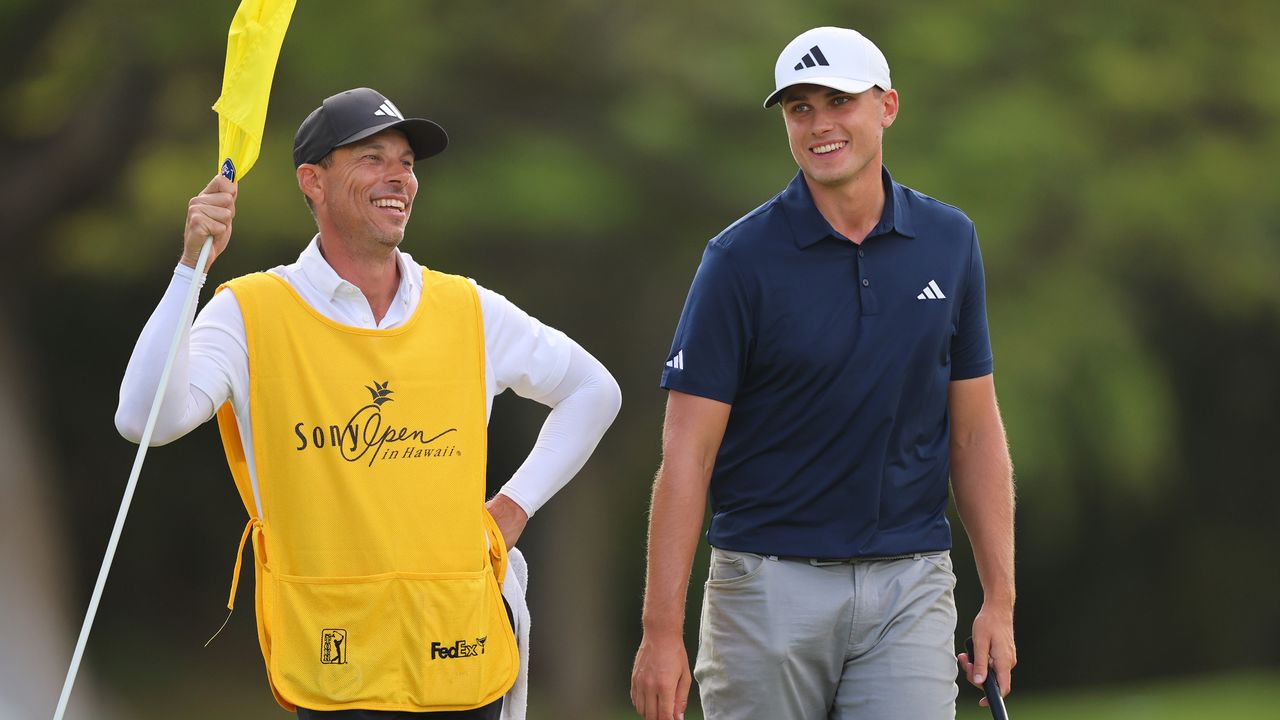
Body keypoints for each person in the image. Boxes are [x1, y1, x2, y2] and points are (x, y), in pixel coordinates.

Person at [116, 87, 621, 719]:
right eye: (372, 158)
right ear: (313, 180)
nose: (399, 178)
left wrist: (512, 509)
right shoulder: (251, 310)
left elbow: (595, 391)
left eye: (407, 162)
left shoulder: (467, 307)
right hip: (336, 654)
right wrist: (192, 266)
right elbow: (145, 420)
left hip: (458, 646)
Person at [629, 27, 1016, 720]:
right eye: (799, 108)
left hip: (910, 585)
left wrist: (1001, 601)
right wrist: (661, 633)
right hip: (765, 588)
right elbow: (687, 455)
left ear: (887, 106)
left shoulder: (949, 240)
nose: (819, 124)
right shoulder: (739, 260)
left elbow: (976, 434)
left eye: (839, 100)